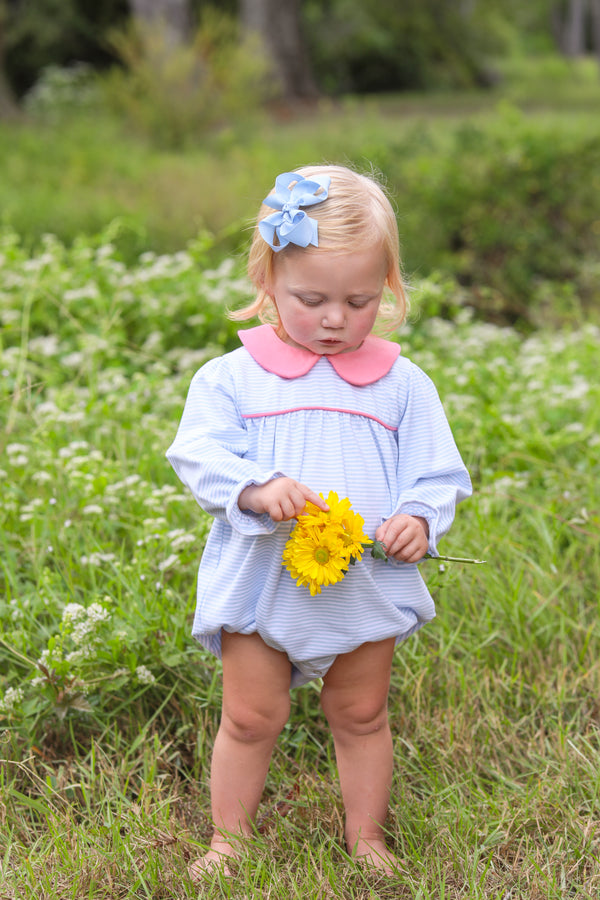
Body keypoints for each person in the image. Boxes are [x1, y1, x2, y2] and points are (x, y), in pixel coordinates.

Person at [166, 164, 472, 879]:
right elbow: (198, 453)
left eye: (359, 300)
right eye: (312, 299)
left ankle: (367, 839)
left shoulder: (401, 384)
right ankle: (229, 841)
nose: (335, 318)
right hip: (262, 581)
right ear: (266, 280)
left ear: (389, 290)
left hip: (362, 583)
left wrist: (419, 518)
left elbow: (437, 470)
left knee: (362, 715)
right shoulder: (232, 378)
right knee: (249, 717)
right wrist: (253, 486)